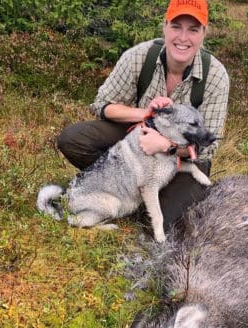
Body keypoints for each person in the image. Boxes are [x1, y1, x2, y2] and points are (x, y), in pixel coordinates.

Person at [56, 0, 230, 230]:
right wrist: (143, 113)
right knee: (72, 139)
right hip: (136, 139)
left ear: (204, 33)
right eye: (176, 26)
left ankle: (150, 197)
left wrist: (166, 146)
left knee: (167, 223)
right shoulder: (139, 57)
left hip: (183, 158)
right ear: (165, 27)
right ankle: (121, 191)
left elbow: (207, 148)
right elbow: (102, 105)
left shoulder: (215, 77)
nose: (183, 37)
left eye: (193, 29)